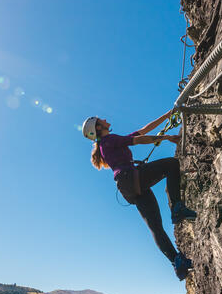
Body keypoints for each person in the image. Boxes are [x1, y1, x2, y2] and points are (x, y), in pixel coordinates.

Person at [81, 111, 196, 280]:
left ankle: (177, 262)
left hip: (129, 186)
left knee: (155, 226)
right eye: (101, 120)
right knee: (172, 165)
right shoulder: (109, 140)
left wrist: (168, 115)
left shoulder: (107, 143)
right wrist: (166, 138)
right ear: (98, 127)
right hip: (131, 177)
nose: (105, 119)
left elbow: (142, 131)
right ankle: (177, 207)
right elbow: (138, 140)